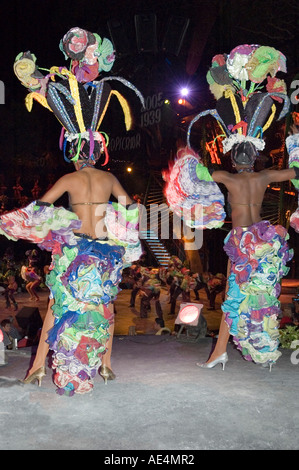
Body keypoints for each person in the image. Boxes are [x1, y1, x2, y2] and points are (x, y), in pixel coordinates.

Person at [0, 27, 143, 396]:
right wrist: (120, 227)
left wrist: (39, 225)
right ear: (98, 149)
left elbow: (41, 207)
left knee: (58, 309)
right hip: (107, 253)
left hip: (76, 253)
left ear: (74, 149)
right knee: (104, 308)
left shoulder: (69, 179)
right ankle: (107, 366)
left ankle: (36, 370)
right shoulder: (110, 177)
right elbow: (129, 207)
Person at [164, 43, 299, 370]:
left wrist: (184, 155)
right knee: (260, 297)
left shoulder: (227, 177)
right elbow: (294, 171)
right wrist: (294, 140)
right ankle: (240, 348)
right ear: (254, 153)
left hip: (242, 243)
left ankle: (222, 351)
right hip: (265, 242)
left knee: (233, 300)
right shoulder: (264, 175)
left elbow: (195, 169)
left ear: (236, 151)